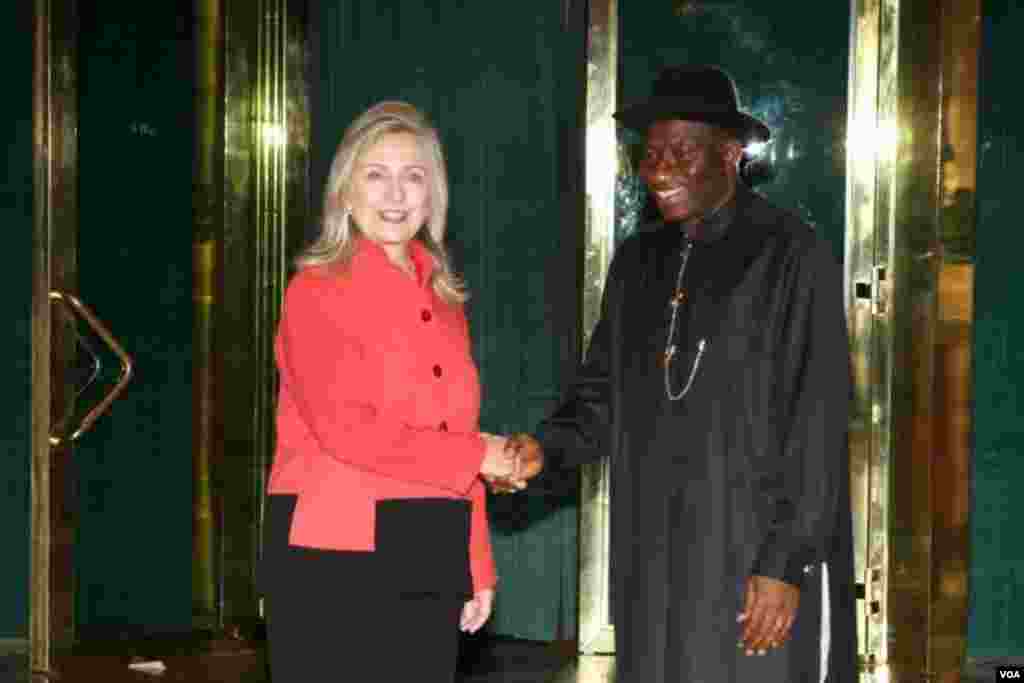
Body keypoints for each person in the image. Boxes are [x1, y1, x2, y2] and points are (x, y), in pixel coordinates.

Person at [492, 65, 857, 682]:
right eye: (651, 153)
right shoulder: (637, 262)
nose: (658, 170)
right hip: (655, 560)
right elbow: (600, 397)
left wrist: (784, 562)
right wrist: (543, 450)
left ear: (732, 155)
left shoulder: (790, 252)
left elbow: (816, 419)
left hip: (752, 558)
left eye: (681, 152)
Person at [260, 101, 525, 682]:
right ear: (344, 193)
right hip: (333, 554)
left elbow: (455, 439)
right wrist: (480, 454)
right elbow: (347, 430)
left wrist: (475, 562)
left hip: (427, 548)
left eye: (414, 176)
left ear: (434, 195)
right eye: (375, 175)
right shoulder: (316, 290)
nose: (396, 194)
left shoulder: (447, 301)